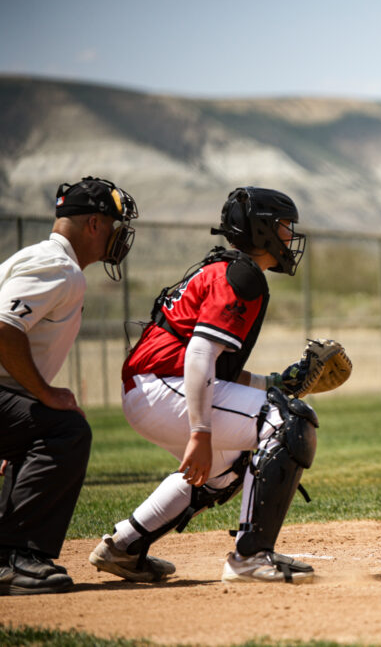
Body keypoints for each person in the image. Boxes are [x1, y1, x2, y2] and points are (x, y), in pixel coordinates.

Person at [88, 186, 320, 584]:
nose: (289, 236)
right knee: (288, 422)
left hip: (153, 386)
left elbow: (216, 367)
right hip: (163, 385)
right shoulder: (241, 275)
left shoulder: (226, 269)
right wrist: (200, 431)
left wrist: (275, 382)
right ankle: (251, 557)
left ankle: (123, 547)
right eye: (284, 226)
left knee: (223, 470)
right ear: (261, 229)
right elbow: (198, 356)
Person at [0, 176, 138, 595]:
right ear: (94, 224)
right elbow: (4, 328)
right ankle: (15, 559)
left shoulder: (40, 258)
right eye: (114, 226)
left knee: (44, 426)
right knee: (65, 428)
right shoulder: (60, 268)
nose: (118, 238)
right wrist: (44, 394)